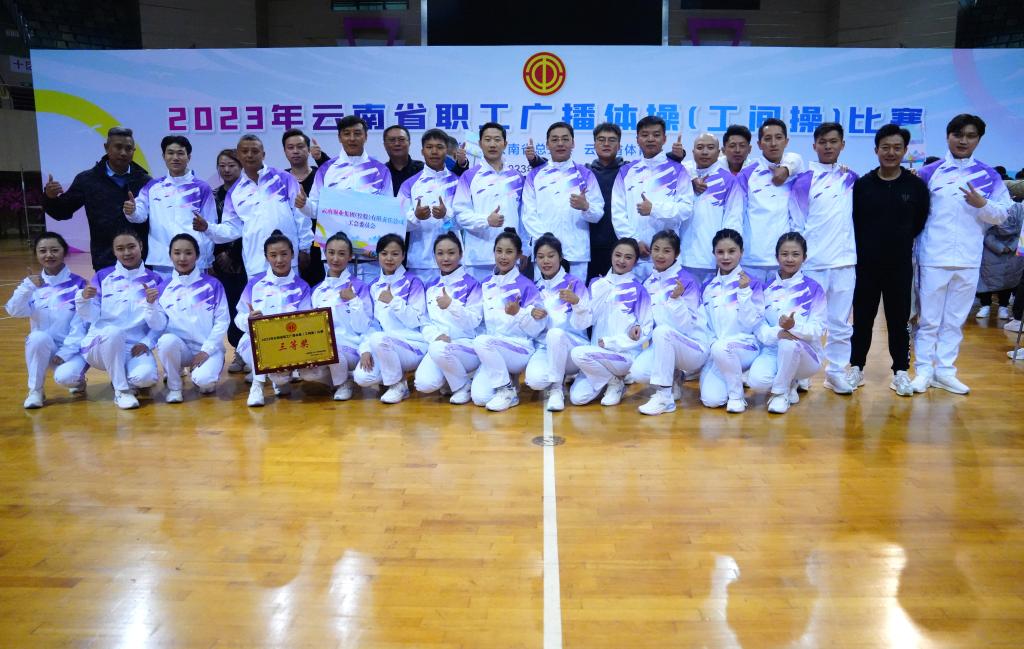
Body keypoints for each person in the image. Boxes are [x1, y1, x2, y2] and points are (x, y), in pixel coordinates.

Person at [912, 114, 1012, 394]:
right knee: (929, 320)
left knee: (954, 321)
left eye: (970, 136)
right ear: (948, 136)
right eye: (958, 135)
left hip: (968, 259)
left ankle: (945, 371)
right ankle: (923, 370)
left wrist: (983, 204)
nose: (963, 141)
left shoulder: (989, 176)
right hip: (932, 257)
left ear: (978, 139)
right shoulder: (929, 173)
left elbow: (1003, 215)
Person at [848, 124, 930, 396]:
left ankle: (901, 371)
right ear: (876, 150)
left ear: (905, 151)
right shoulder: (863, 185)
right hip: (866, 265)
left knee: (898, 320)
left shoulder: (916, 186)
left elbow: (919, 222)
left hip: (899, 265)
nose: (891, 152)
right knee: (862, 319)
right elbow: (855, 221)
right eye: (885, 147)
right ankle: (856, 367)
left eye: (897, 147)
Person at [788, 122, 859, 394]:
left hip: (844, 262)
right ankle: (803, 373)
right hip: (813, 265)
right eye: (823, 142)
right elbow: (796, 224)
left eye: (833, 141)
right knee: (807, 322)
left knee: (840, 324)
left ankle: (836, 372)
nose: (828, 146)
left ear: (842, 145)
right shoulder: (803, 180)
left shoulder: (851, 179)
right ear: (814, 145)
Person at [193, 134, 312, 278]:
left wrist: (305, 248)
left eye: (255, 151)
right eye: (244, 151)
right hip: (256, 263)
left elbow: (301, 214)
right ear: (238, 155)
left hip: (287, 259)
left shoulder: (283, 178)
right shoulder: (235, 192)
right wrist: (208, 227)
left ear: (263, 154)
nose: (250, 155)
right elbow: (232, 228)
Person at [75, 230, 163, 409]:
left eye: (131, 247)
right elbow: (91, 316)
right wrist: (83, 300)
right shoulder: (103, 277)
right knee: (114, 332)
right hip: (101, 343)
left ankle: (124, 377)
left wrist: (147, 342)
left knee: (146, 378)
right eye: (120, 249)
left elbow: (160, 323)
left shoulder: (155, 280)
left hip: (134, 347)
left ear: (141, 246)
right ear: (114, 251)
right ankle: (121, 391)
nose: (127, 253)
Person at [42, 126, 151, 270]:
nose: (123, 152)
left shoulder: (145, 181)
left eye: (128, 148)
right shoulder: (87, 180)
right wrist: (50, 198)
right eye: (118, 147)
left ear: (133, 151)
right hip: (105, 259)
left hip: (141, 259)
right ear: (106, 147)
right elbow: (62, 211)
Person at [301, 116, 392, 281]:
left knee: (369, 297)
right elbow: (315, 209)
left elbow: (387, 212)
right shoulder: (326, 169)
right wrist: (303, 205)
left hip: (369, 256)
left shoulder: (380, 170)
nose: (352, 138)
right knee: (337, 296)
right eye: (346, 133)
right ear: (339, 137)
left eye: (357, 133)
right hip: (335, 255)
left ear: (366, 136)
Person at [5, 231, 89, 408]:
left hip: (73, 350)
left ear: (64, 252)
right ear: (36, 254)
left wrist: (65, 352)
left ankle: (78, 380)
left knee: (67, 378)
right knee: (37, 337)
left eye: (54, 250)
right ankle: (36, 391)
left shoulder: (79, 284)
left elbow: (82, 325)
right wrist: (27, 287)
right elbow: (14, 310)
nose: (49, 255)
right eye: (42, 251)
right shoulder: (32, 285)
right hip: (45, 348)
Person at [629, 230, 708, 416]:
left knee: (663, 332)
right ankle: (674, 376)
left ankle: (664, 397)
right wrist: (636, 326)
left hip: (693, 348)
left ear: (676, 254)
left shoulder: (687, 281)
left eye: (666, 251)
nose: (660, 255)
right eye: (656, 249)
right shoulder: (648, 282)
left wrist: (676, 300)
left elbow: (687, 327)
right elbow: (646, 319)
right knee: (638, 372)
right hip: (665, 344)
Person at [747, 232, 826, 414]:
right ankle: (790, 382)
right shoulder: (766, 288)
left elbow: (818, 329)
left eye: (795, 254)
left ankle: (780, 393)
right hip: (772, 351)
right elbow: (758, 326)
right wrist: (777, 333)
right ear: (777, 257)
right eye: (784, 254)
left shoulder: (814, 289)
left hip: (806, 355)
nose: (790, 259)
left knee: (788, 342)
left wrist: (794, 328)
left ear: (804, 257)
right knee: (756, 382)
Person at [569, 238, 653, 406]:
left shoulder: (639, 289)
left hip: (623, 356)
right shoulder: (596, 284)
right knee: (577, 398)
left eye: (628, 257)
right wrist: (577, 304)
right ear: (611, 255)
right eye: (618, 255)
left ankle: (615, 381)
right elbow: (583, 323)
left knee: (578, 353)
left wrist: (611, 342)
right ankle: (612, 380)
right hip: (595, 355)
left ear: (635, 261)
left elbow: (646, 329)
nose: (621, 260)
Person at [147, 234, 229, 403]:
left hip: (207, 348)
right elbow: (158, 325)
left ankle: (205, 372)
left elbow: (222, 321)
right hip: (180, 349)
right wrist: (151, 306)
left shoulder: (213, 285)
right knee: (166, 341)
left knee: (204, 382)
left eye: (188, 253)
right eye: (177, 253)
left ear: (197, 256)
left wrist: (206, 350)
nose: (182, 258)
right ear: (170, 256)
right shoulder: (163, 288)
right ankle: (174, 387)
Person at [611, 115, 693, 280]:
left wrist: (654, 209)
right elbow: (617, 212)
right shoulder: (626, 171)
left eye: (656, 135)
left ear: (664, 139)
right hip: (633, 256)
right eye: (645, 135)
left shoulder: (678, 170)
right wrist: (634, 241)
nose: (650, 139)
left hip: (666, 255)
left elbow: (686, 208)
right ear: (637, 139)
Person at [470, 228, 544, 411]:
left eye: (509, 252)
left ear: (518, 255)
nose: (503, 257)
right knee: (480, 397)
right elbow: (479, 322)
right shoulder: (485, 284)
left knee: (482, 341)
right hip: (492, 349)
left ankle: (507, 391)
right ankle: (508, 379)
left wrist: (519, 313)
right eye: (499, 251)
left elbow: (536, 329)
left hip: (520, 349)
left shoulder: (527, 286)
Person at [237, 231, 313, 407]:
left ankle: (278, 380)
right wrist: (248, 319)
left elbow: (306, 321)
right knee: (259, 345)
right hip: (254, 342)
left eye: (284, 254)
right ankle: (257, 386)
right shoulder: (254, 284)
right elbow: (238, 318)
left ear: (292, 254)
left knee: (281, 381)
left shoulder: (302, 287)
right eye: (273, 255)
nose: (279, 260)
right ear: (266, 257)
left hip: (287, 344)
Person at [123, 135, 216, 279]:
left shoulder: (201, 188)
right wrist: (132, 211)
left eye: (180, 153)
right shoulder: (153, 186)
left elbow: (210, 225)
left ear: (189, 157)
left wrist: (207, 259)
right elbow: (139, 216)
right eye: (170, 153)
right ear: (164, 156)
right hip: (162, 260)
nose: (175, 158)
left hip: (193, 260)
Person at [521, 122, 605, 279]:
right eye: (555, 139)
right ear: (547, 144)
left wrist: (586, 207)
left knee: (575, 293)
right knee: (544, 294)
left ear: (573, 143)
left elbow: (598, 214)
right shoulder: (535, 176)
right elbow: (528, 214)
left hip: (576, 254)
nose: (560, 143)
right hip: (544, 254)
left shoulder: (585, 174)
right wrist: (547, 241)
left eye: (565, 139)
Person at [728, 118, 805, 285]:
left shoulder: (796, 172)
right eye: (768, 139)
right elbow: (734, 216)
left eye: (779, 138)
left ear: (786, 141)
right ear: (759, 144)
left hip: (785, 261)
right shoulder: (747, 174)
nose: (773, 143)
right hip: (751, 260)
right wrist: (734, 252)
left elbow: (798, 216)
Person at [352, 234, 427, 404]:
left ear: (403, 255)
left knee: (379, 339)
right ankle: (396, 376)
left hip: (412, 345)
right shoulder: (373, 286)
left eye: (395, 254)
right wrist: (366, 349)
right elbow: (372, 324)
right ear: (378, 255)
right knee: (362, 377)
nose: (389, 258)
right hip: (382, 345)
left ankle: (397, 385)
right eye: (384, 253)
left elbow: (416, 320)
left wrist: (393, 301)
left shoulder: (413, 282)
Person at [301, 231, 375, 401]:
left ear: (350, 257)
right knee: (307, 372)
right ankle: (343, 379)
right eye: (331, 253)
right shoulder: (317, 290)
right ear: (324, 254)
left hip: (351, 348)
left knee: (334, 350)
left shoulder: (360, 287)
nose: (335, 259)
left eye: (341, 254)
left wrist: (353, 300)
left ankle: (342, 383)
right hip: (324, 348)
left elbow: (365, 326)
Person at [523, 233, 592, 412]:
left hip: (573, 349)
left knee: (555, 334)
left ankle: (556, 389)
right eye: (540, 257)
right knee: (535, 381)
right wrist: (531, 315)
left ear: (560, 257)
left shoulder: (575, 284)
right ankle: (559, 376)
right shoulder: (534, 287)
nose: (546, 261)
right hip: (545, 348)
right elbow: (531, 331)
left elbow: (584, 324)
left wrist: (577, 303)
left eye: (551, 256)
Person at [699, 229, 765, 413]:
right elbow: (704, 325)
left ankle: (737, 396)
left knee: (722, 348)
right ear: (714, 253)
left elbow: (752, 322)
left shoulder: (752, 283)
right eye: (720, 252)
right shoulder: (708, 287)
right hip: (718, 351)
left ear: (741, 252)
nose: (726, 257)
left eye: (731, 251)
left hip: (747, 348)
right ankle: (735, 375)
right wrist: (711, 345)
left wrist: (744, 292)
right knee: (711, 400)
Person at [414, 232, 485, 403]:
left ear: (461, 254)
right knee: (424, 384)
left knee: (438, 349)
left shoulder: (473, 284)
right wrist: (435, 336)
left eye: (451, 253)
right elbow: (424, 321)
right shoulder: (431, 286)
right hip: (438, 346)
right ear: (434, 256)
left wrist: (451, 305)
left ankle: (463, 386)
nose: (446, 258)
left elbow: (474, 321)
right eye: (440, 253)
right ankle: (453, 377)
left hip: (466, 346)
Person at [453, 122, 527, 280]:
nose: (492, 144)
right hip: (479, 258)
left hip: (510, 258)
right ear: (480, 144)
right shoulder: (469, 176)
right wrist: (485, 220)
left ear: (505, 144)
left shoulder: (516, 177)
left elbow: (524, 217)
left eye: (497, 139)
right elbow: (460, 215)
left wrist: (525, 249)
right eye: (487, 140)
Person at [680, 133, 741, 286]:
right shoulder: (683, 175)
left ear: (719, 152)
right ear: (693, 151)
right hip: (682, 259)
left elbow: (733, 219)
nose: (705, 152)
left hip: (712, 261)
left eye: (710, 147)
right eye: (700, 148)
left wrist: (726, 255)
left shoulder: (729, 180)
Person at [398, 128, 460, 280]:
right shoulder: (409, 184)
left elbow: (465, 222)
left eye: (439, 147)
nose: (434, 152)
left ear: (447, 150)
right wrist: (416, 216)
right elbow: (397, 223)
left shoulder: (458, 182)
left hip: (453, 261)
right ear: (422, 151)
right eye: (429, 147)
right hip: (420, 262)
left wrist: (446, 215)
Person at [210, 149, 249, 373]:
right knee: (231, 307)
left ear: (241, 167)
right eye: (222, 166)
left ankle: (252, 352)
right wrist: (217, 256)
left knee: (248, 307)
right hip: (221, 264)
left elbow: (249, 227)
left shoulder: (249, 192)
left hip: (247, 259)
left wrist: (233, 254)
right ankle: (238, 352)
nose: (226, 170)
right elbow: (209, 227)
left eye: (232, 165)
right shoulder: (213, 195)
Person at [283, 128, 329, 287]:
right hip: (289, 243)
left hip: (320, 242)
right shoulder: (280, 179)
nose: (295, 151)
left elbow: (338, 183)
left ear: (308, 149)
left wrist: (321, 159)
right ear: (285, 151)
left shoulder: (321, 175)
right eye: (290, 147)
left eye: (300, 147)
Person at [976, 200, 1023, 320]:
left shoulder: (1019, 208)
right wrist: (999, 247)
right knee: (986, 277)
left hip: (1013, 250)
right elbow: (983, 231)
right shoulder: (989, 204)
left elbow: (1021, 232)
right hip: (989, 249)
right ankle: (985, 305)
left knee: (1008, 279)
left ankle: (1003, 306)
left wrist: (1010, 247)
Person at [383, 125, 425, 196]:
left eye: (401, 139)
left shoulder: (423, 170)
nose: (397, 144)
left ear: (409, 143)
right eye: (392, 140)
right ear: (385, 145)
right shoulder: (380, 173)